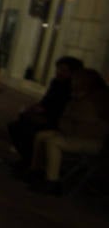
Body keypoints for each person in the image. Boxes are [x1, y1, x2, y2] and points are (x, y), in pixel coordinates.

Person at [25, 67, 109, 196]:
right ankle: (35, 171)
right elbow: (67, 119)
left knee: (54, 142)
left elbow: (85, 124)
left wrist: (71, 122)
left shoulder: (96, 101)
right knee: (41, 135)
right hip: (74, 134)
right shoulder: (77, 97)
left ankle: (52, 182)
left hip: (93, 141)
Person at [7, 55, 83, 173]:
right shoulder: (56, 83)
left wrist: (45, 111)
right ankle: (28, 160)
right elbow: (46, 101)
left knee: (33, 131)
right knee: (18, 125)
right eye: (58, 69)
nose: (59, 72)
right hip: (46, 117)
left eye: (64, 70)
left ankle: (33, 163)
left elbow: (64, 109)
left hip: (57, 121)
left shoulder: (72, 89)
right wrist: (35, 108)